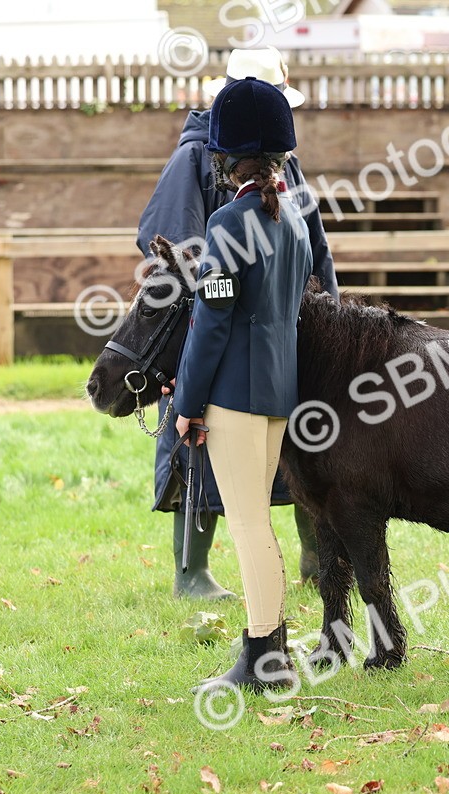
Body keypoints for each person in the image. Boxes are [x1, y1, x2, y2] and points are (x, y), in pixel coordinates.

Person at [136, 47, 338, 600]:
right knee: (200, 456)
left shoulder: (276, 167)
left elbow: (315, 258)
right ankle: (193, 572)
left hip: (262, 334)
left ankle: (298, 586)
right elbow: (173, 252)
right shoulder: (195, 160)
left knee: (282, 467)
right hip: (213, 327)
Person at [174, 78, 311, 693]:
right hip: (279, 394)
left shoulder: (229, 223)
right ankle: (269, 644)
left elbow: (210, 323)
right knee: (260, 522)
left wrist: (186, 403)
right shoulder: (298, 222)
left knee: (249, 524)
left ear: (228, 160)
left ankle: (262, 659)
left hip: (232, 396)